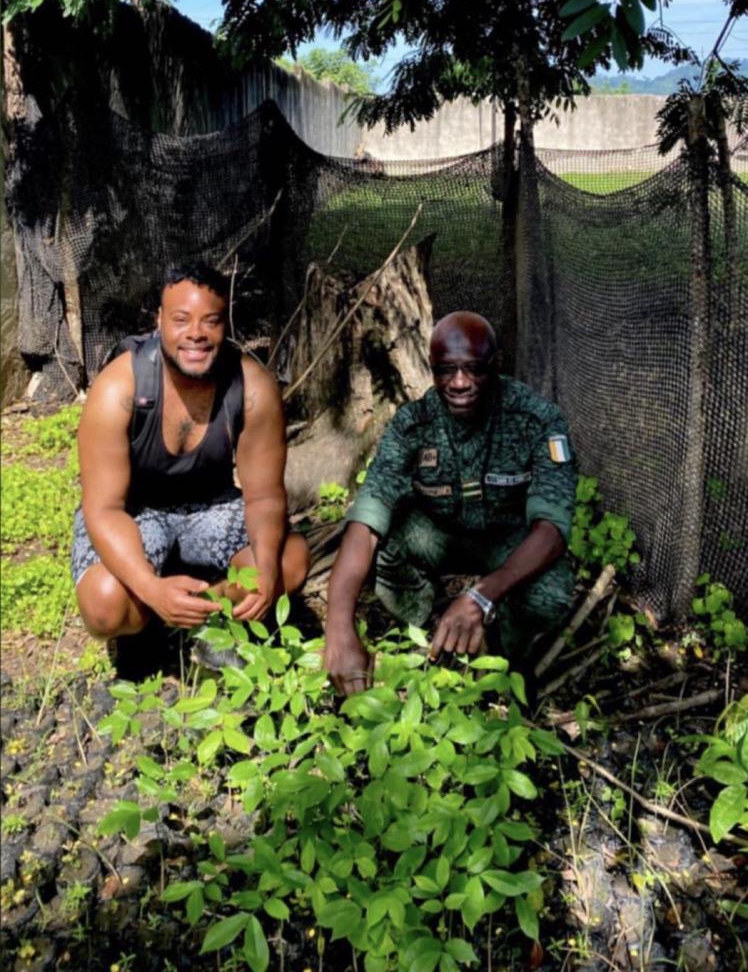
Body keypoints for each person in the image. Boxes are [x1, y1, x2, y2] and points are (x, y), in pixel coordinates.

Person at [323, 311, 577, 696]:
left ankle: (505, 655)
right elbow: (366, 521)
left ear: (496, 365)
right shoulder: (412, 425)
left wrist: (480, 597)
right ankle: (427, 635)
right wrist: (338, 628)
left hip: (509, 544)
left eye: (474, 369)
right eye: (446, 370)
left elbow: (552, 531)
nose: (459, 382)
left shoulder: (536, 420)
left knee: (549, 591)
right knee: (382, 547)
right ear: (432, 368)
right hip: (437, 536)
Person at [73, 261, 309, 653]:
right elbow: (103, 509)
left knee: (290, 562)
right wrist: (150, 588)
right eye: (181, 320)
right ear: (159, 321)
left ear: (225, 326)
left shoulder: (251, 387)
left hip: (211, 507)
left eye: (210, 321)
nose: (195, 334)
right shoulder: (119, 387)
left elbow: (264, 497)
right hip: (136, 510)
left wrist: (265, 571)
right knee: (105, 605)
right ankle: (153, 613)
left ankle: (205, 613)